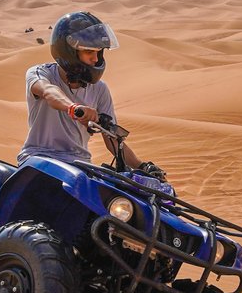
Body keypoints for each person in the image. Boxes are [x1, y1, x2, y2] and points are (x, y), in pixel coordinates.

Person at [18, 11, 165, 180]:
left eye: (99, 52)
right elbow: (48, 92)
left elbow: (112, 139)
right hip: (38, 160)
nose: (96, 59)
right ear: (69, 51)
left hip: (79, 167)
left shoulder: (100, 89)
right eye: (89, 52)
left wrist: (142, 166)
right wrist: (73, 108)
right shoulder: (41, 73)